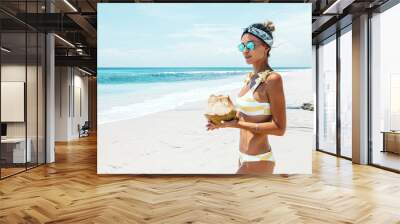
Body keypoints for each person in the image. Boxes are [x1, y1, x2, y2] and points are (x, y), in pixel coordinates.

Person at [206, 21, 286, 174]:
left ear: (266, 47)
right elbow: (245, 117)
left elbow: (279, 128)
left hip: (259, 159)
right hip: (243, 156)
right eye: (242, 46)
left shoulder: (273, 79)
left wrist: (237, 124)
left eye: (250, 45)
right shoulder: (250, 78)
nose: (245, 51)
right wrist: (222, 122)